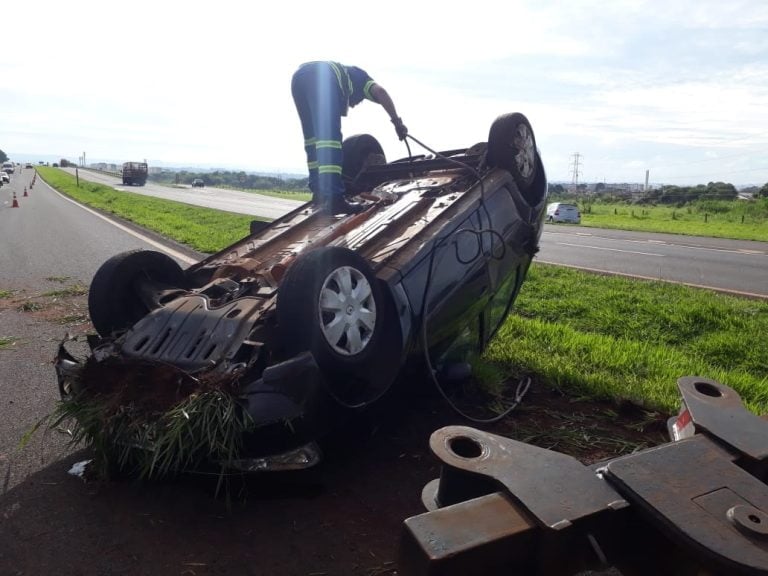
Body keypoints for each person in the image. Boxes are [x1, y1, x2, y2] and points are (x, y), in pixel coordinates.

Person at [291, 61, 408, 214]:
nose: (354, 105)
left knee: (312, 140)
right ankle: (335, 200)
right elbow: (381, 92)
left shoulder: (345, 76)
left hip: (299, 78)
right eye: (358, 101)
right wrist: (397, 122)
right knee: (330, 140)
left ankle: (319, 193)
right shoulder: (361, 79)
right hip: (322, 77)